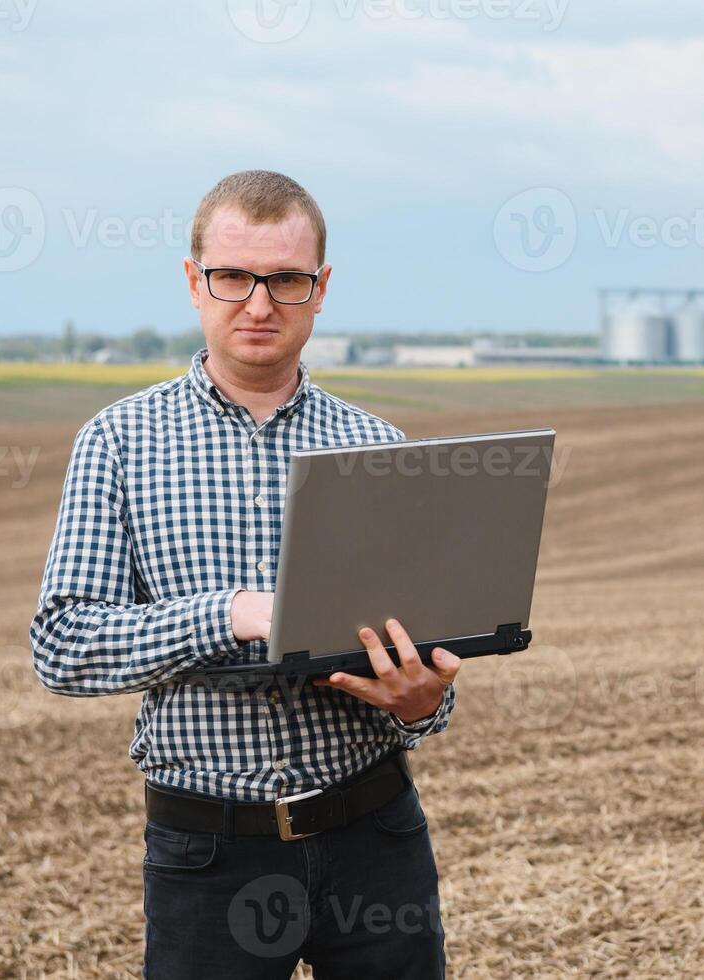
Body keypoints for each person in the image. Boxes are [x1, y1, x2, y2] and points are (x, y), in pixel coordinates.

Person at [29, 170, 458, 979]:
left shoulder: (379, 447)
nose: (259, 304)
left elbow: (423, 647)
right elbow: (63, 645)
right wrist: (229, 613)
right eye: (234, 277)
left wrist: (425, 702)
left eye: (286, 281)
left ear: (320, 289)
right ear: (195, 281)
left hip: (376, 836)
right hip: (207, 856)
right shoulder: (118, 443)